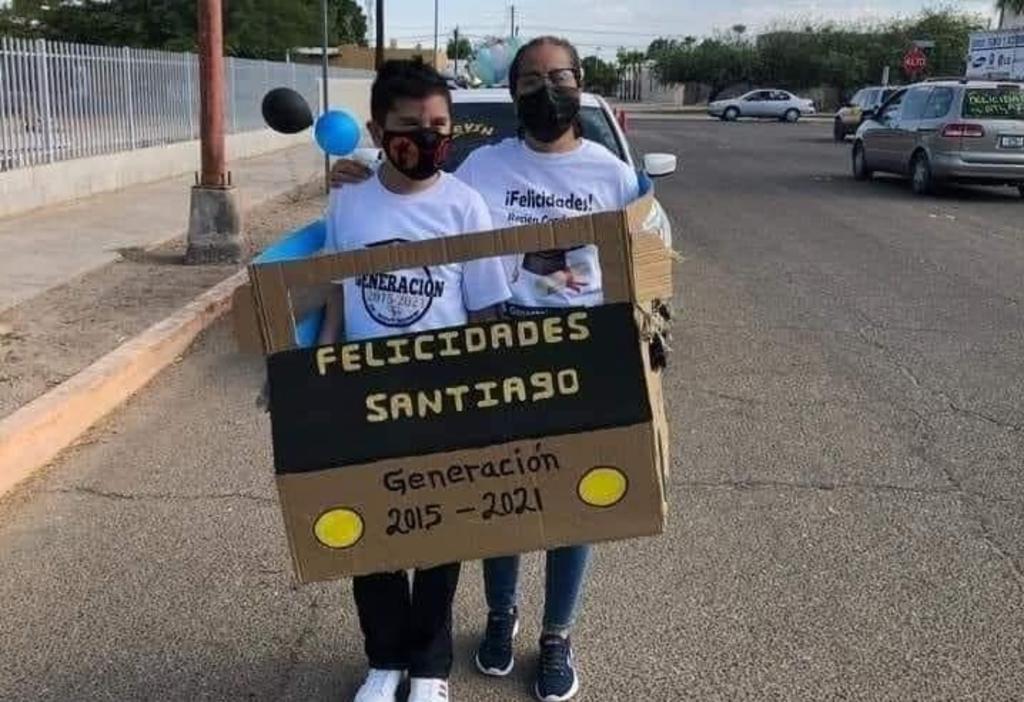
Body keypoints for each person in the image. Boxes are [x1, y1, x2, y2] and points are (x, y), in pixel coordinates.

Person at [331, 37, 640, 702]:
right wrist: (359, 169)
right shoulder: (480, 170)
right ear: (513, 89)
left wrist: (638, 348)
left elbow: (638, 265)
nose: (546, 91)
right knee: (502, 498)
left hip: (579, 355)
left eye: (559, 77)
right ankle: (499, 617)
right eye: (530, 79)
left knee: (573, 503)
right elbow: (411, 199)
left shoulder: (613, 174)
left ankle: (556, 636)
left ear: (580, 82)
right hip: (497, 350)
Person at [321, 58, 510, 702]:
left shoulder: (465, 206)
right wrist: (321, 374)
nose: (427, 138)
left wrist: (489, 393)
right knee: (371, 528)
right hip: (365, 393)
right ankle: (385, 659)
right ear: (378, 132)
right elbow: (337, 291)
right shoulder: (348, 199)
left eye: (438, 125)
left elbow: (484, 308)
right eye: (410, 126)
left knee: (438, 530)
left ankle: (429, 666)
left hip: (444, 394)